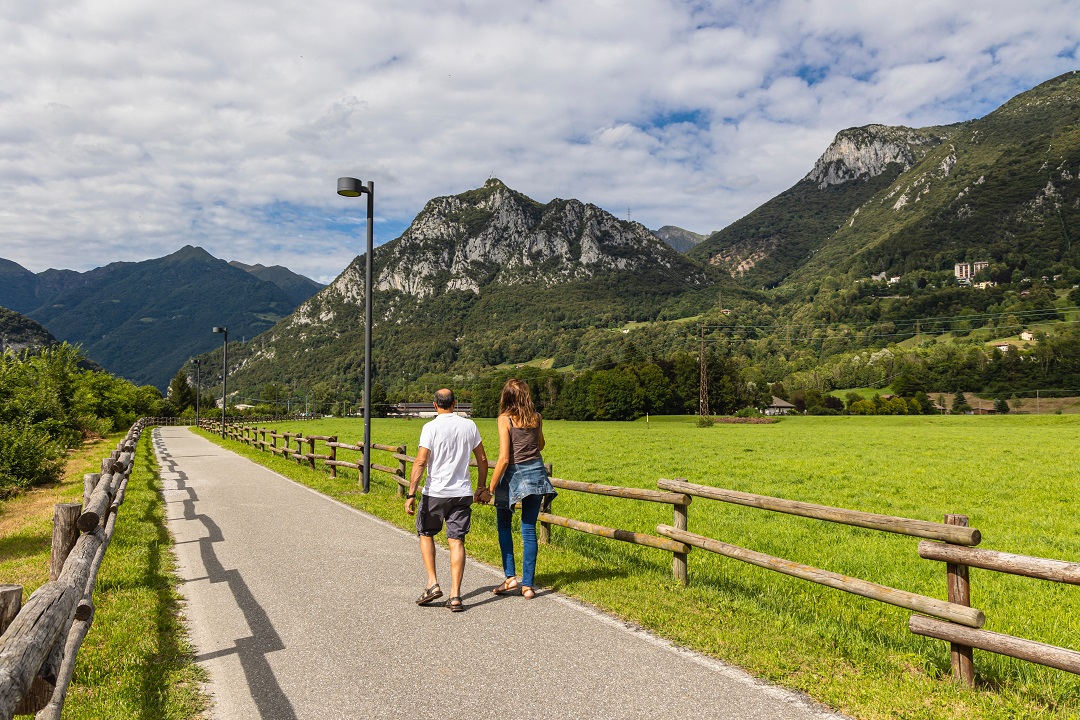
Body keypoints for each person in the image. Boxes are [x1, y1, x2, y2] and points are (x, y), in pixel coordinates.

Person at [405, 388, 489, 612]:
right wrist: (481, 487)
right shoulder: (468, 426)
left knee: (425, 533)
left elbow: (421, 461)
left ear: (434, 405)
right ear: (455, 403)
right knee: (457, 540)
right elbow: (482, 458)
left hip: (435, 492)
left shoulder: (430, 427)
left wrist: (411, 493)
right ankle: (455, 596)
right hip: (462, 493)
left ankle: (432, 583)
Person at [482, 378, 554, 600]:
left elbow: (504, 458)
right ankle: (528, 586)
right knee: (528, 529)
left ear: (507, 396)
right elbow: (540, 445)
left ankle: (510, 578)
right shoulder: (537, 417)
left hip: (513, 476)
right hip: (536, 475)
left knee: (504, 525)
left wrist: (490, 488)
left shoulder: (505, 419)